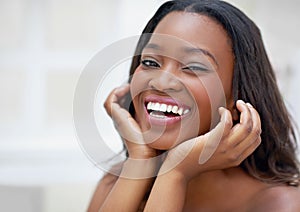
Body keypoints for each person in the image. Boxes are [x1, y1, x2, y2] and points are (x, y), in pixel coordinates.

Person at [88, 0, 300, 211]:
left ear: (238, 99)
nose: (161, 82)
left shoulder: (280, 204)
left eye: (193, 66)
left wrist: (175, 173)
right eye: (151, 62)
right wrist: (140, 162)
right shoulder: (120, 181)